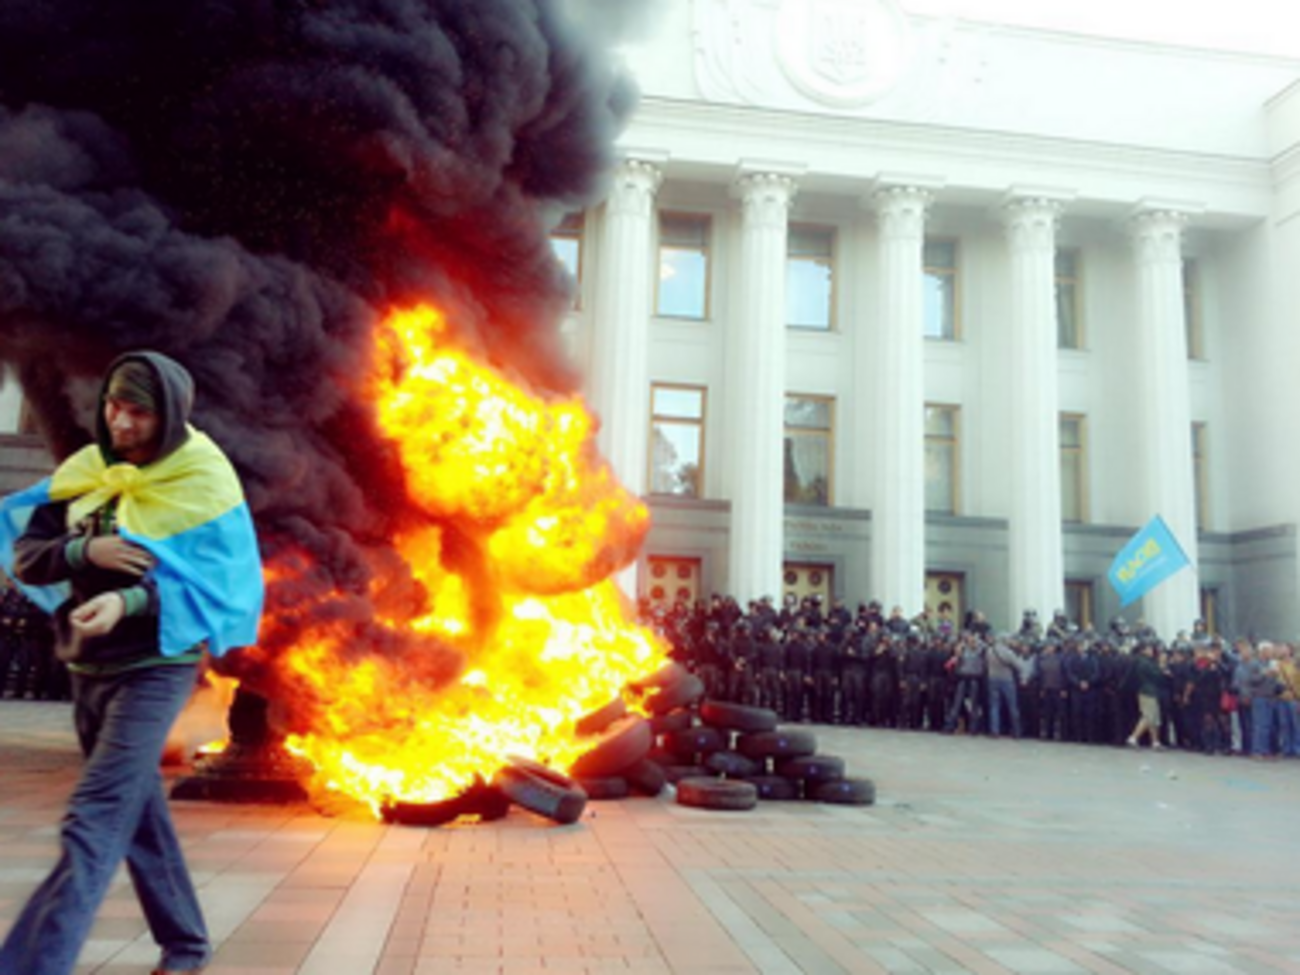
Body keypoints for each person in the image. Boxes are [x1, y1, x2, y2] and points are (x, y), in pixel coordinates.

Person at [0, 351, 263, 975]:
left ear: (168, 416)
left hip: (155, 668)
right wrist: (85, 549)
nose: (120, 423)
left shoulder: (204, 485)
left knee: (92, 820)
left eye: (138, 411)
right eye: (114, 405)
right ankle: (188, 945)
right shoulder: (86, 473)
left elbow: (224, 587)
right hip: (86, 668)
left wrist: (131, 598)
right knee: (136, 811)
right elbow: (30, 557)